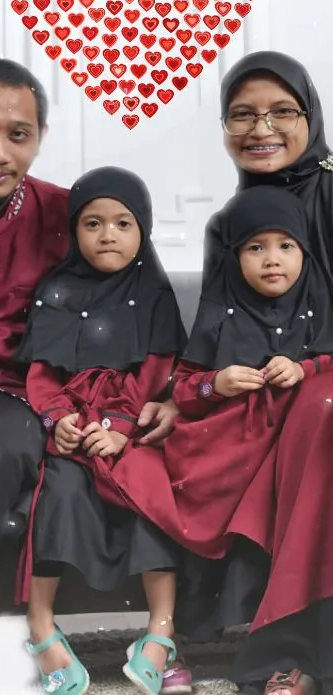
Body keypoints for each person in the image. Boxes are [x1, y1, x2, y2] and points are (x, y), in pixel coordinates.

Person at [0, 59, 176, 675]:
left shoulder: (76, 218)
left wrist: (168, 390)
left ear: (39, 139)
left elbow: (145, 301)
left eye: (19, 135)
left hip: (16, 398)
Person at [110, 185, 333, 695]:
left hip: (294, 453)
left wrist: (304, 368)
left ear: (304, 250)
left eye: (285, 245)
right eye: (255, 248)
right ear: (235, 256)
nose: (272, 260)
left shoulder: (320, 302)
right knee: (169, 484)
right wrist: (219, 382)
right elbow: (184, 388)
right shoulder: (222, 306)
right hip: (232, 445)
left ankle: (295, 651)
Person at [15, 166, 187, 695]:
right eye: (92, 223)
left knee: (148, 489)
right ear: (75, 230)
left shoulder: (153, 294)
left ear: (144, 230)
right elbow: (41, 377)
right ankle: (41, 625)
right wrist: (57, 421)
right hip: (72, 429)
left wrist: (118, 428)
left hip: (129, 432)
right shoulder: (57, 290)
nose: (107, 234)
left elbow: (156, 377)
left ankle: (160, 632)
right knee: (58, 489)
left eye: (122, 223)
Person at [201, 51, 333, 695]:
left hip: (323, 378)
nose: (262, 127)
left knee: (319, 409)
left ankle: (302, 649)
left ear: (312, 115)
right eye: (242, 114)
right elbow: (211, 333)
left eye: (283, 111)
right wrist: (194, 386)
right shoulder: (236, 217)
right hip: (288, 381)